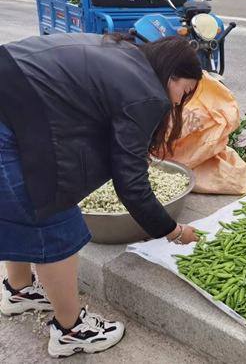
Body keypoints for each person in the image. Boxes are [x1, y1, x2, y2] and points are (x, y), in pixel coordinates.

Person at [0, 33, 201, 357]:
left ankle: (19, 290)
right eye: (184, 90)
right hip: (10, 120)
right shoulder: (147, 91)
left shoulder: (125, 56)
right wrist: (173, 231)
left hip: (12, 99)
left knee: (22, 207)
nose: (178, 102)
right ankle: (71, 331)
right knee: (53, 219)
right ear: (171, 74)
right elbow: (131, 184)